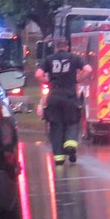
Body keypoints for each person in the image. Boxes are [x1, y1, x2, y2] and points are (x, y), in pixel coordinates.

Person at [35, 38, 92, 166]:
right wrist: (78, 79)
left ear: (56, 47)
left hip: (54, 97)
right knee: (72, 122)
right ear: (67, 47)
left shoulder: (49, 59)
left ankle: (59, 157)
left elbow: (38, 74)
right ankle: (70, 145)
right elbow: (88, 69)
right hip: (70, 97)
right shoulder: (74, 58)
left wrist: (47, 82)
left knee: (56, 126)